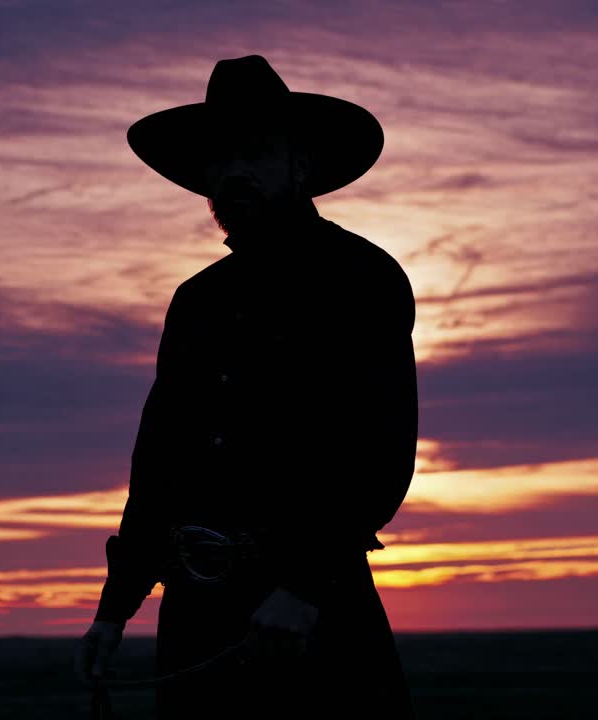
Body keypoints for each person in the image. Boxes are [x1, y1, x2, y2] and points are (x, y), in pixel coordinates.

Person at [76, 54, 418, 719]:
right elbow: (159, 468)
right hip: (198, 614)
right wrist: (115, 610)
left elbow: (377, 452)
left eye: (256, 153)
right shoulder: (196, 301)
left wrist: (305, 588)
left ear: (300, 165)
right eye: (219, 159)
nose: (234, 171)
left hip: (311, 617)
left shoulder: (360, 277)